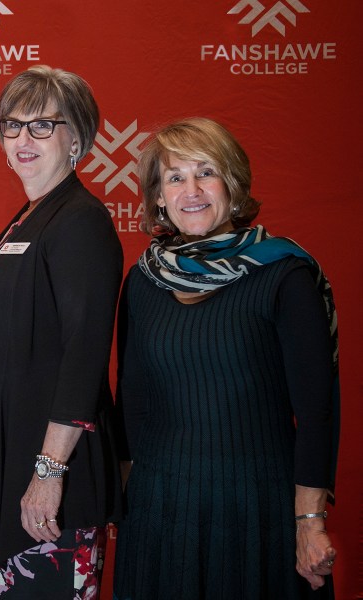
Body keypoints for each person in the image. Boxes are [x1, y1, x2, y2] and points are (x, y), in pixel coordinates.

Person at [113, 117, 340, 599]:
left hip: (258, 510)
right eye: (175, 177)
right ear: (159, 197)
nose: (191, 191)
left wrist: (309, 520)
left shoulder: (284, 274)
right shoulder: (142, 281)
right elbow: (132, 401)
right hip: (160, 511)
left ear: (233, 186)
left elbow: (317, 413)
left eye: (206, 173)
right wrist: (127, 496)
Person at [0, 66, 124, 599]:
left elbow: (83, 355)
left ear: (78, 138)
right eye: (13, 125)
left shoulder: (81, 221)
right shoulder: (29, 217)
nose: (24, 138)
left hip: (47, 476)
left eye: (43, 125)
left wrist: (48, 472)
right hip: (3, 460)